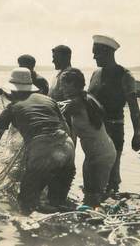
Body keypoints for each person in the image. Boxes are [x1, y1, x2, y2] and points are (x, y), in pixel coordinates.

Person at [0, 68, 75, 214]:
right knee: (57, 200)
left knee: (25, 201)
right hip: (67, 146)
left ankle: (27, 235)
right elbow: (66, 128)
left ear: (13, 90)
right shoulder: (49, 100)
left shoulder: (11, 109)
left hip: (42, 149)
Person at [88, 35, 140, 194]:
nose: (93, 57)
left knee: (112, 171)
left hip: (114, 129)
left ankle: (112, 197)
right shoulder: (95, 73)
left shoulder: (125, 75)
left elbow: (134, 108)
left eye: (96, 53)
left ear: (108, 53)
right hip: (94, 129)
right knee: (94, 168)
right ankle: (95, 200)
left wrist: (137, 134)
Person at [60, 68, 116, 207]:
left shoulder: (76, 103)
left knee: (94, 198)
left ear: (73, 84)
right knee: (90, 195)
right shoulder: (87, 97)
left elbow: (56, 113)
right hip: (99, 152)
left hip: (99, 155)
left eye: (64, 84)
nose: (61, 88)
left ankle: (96, 224)